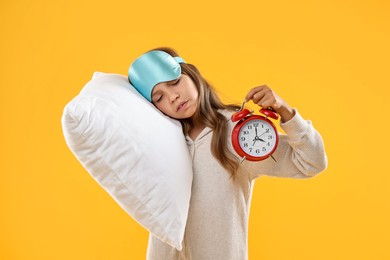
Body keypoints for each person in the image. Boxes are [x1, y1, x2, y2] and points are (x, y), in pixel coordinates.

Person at [128, 47, 328, 260]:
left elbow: (312, 162)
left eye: (174, 82)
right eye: (159, 98)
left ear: (190, 74)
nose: (174, 97)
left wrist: (285, 111)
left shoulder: (237, 132)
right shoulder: (161, 144)